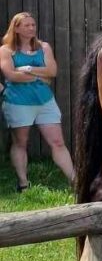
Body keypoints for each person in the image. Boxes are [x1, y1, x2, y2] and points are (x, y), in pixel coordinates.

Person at [1, 12, 74, 190]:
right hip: (18, 102)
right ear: (16, 28)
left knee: (58, 142)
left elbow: (52, 71)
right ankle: (23, 183)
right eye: (27, 25)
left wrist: (27, 68)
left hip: (45, 101)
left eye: (33, 25)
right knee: (20, 143)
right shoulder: (6, 50)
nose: (31, 28)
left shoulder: (44, 47)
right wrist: (40, 76)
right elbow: (11, 75)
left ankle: (75, 180)